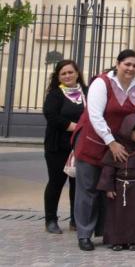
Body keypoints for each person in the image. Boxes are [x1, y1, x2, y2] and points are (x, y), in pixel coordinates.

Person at [72, 49, 135, 251]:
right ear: (118, 63)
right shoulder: (101, 83)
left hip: (121, 146)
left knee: (112, 190)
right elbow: (95, 115)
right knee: (88, 189)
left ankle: (108, 231)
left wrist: (133, 143)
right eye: (127, 64)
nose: (130, 68)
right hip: (93, 141)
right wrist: (111, 142)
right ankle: (84, 234)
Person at [96, 114, 135, 251]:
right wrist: (109, 188)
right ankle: (117, 241)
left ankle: (134, 240)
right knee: (118, 215)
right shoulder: (117, 148)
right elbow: (108, 169)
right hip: (120, 187)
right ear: (128, 130)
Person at [42, 59, 86, 234]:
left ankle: (76, 220)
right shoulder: (55, 94)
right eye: (63, 73)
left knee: (78, 183)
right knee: (56, 182)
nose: (68, 76)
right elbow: (51, 116)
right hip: (58, 146)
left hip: (81, 144)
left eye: (70, 72)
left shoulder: (87, 91)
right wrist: (76, 127)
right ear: (58, 76)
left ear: (77, 73)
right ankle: (51, 220)